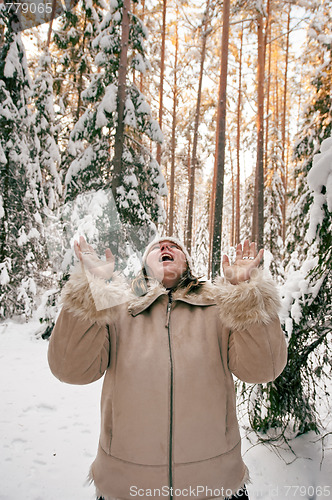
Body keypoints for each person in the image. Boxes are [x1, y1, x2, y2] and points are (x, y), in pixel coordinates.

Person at [48, 236, 287, 500]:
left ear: (187, 263)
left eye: (174, 247)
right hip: (126, 487)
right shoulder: (117, 310)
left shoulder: (221, 308)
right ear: (144, 266)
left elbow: (265, 368)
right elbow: (69, 369)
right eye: (156, 247)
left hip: (214, 484)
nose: (165, 248)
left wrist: (245, 294)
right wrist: (91, 290)